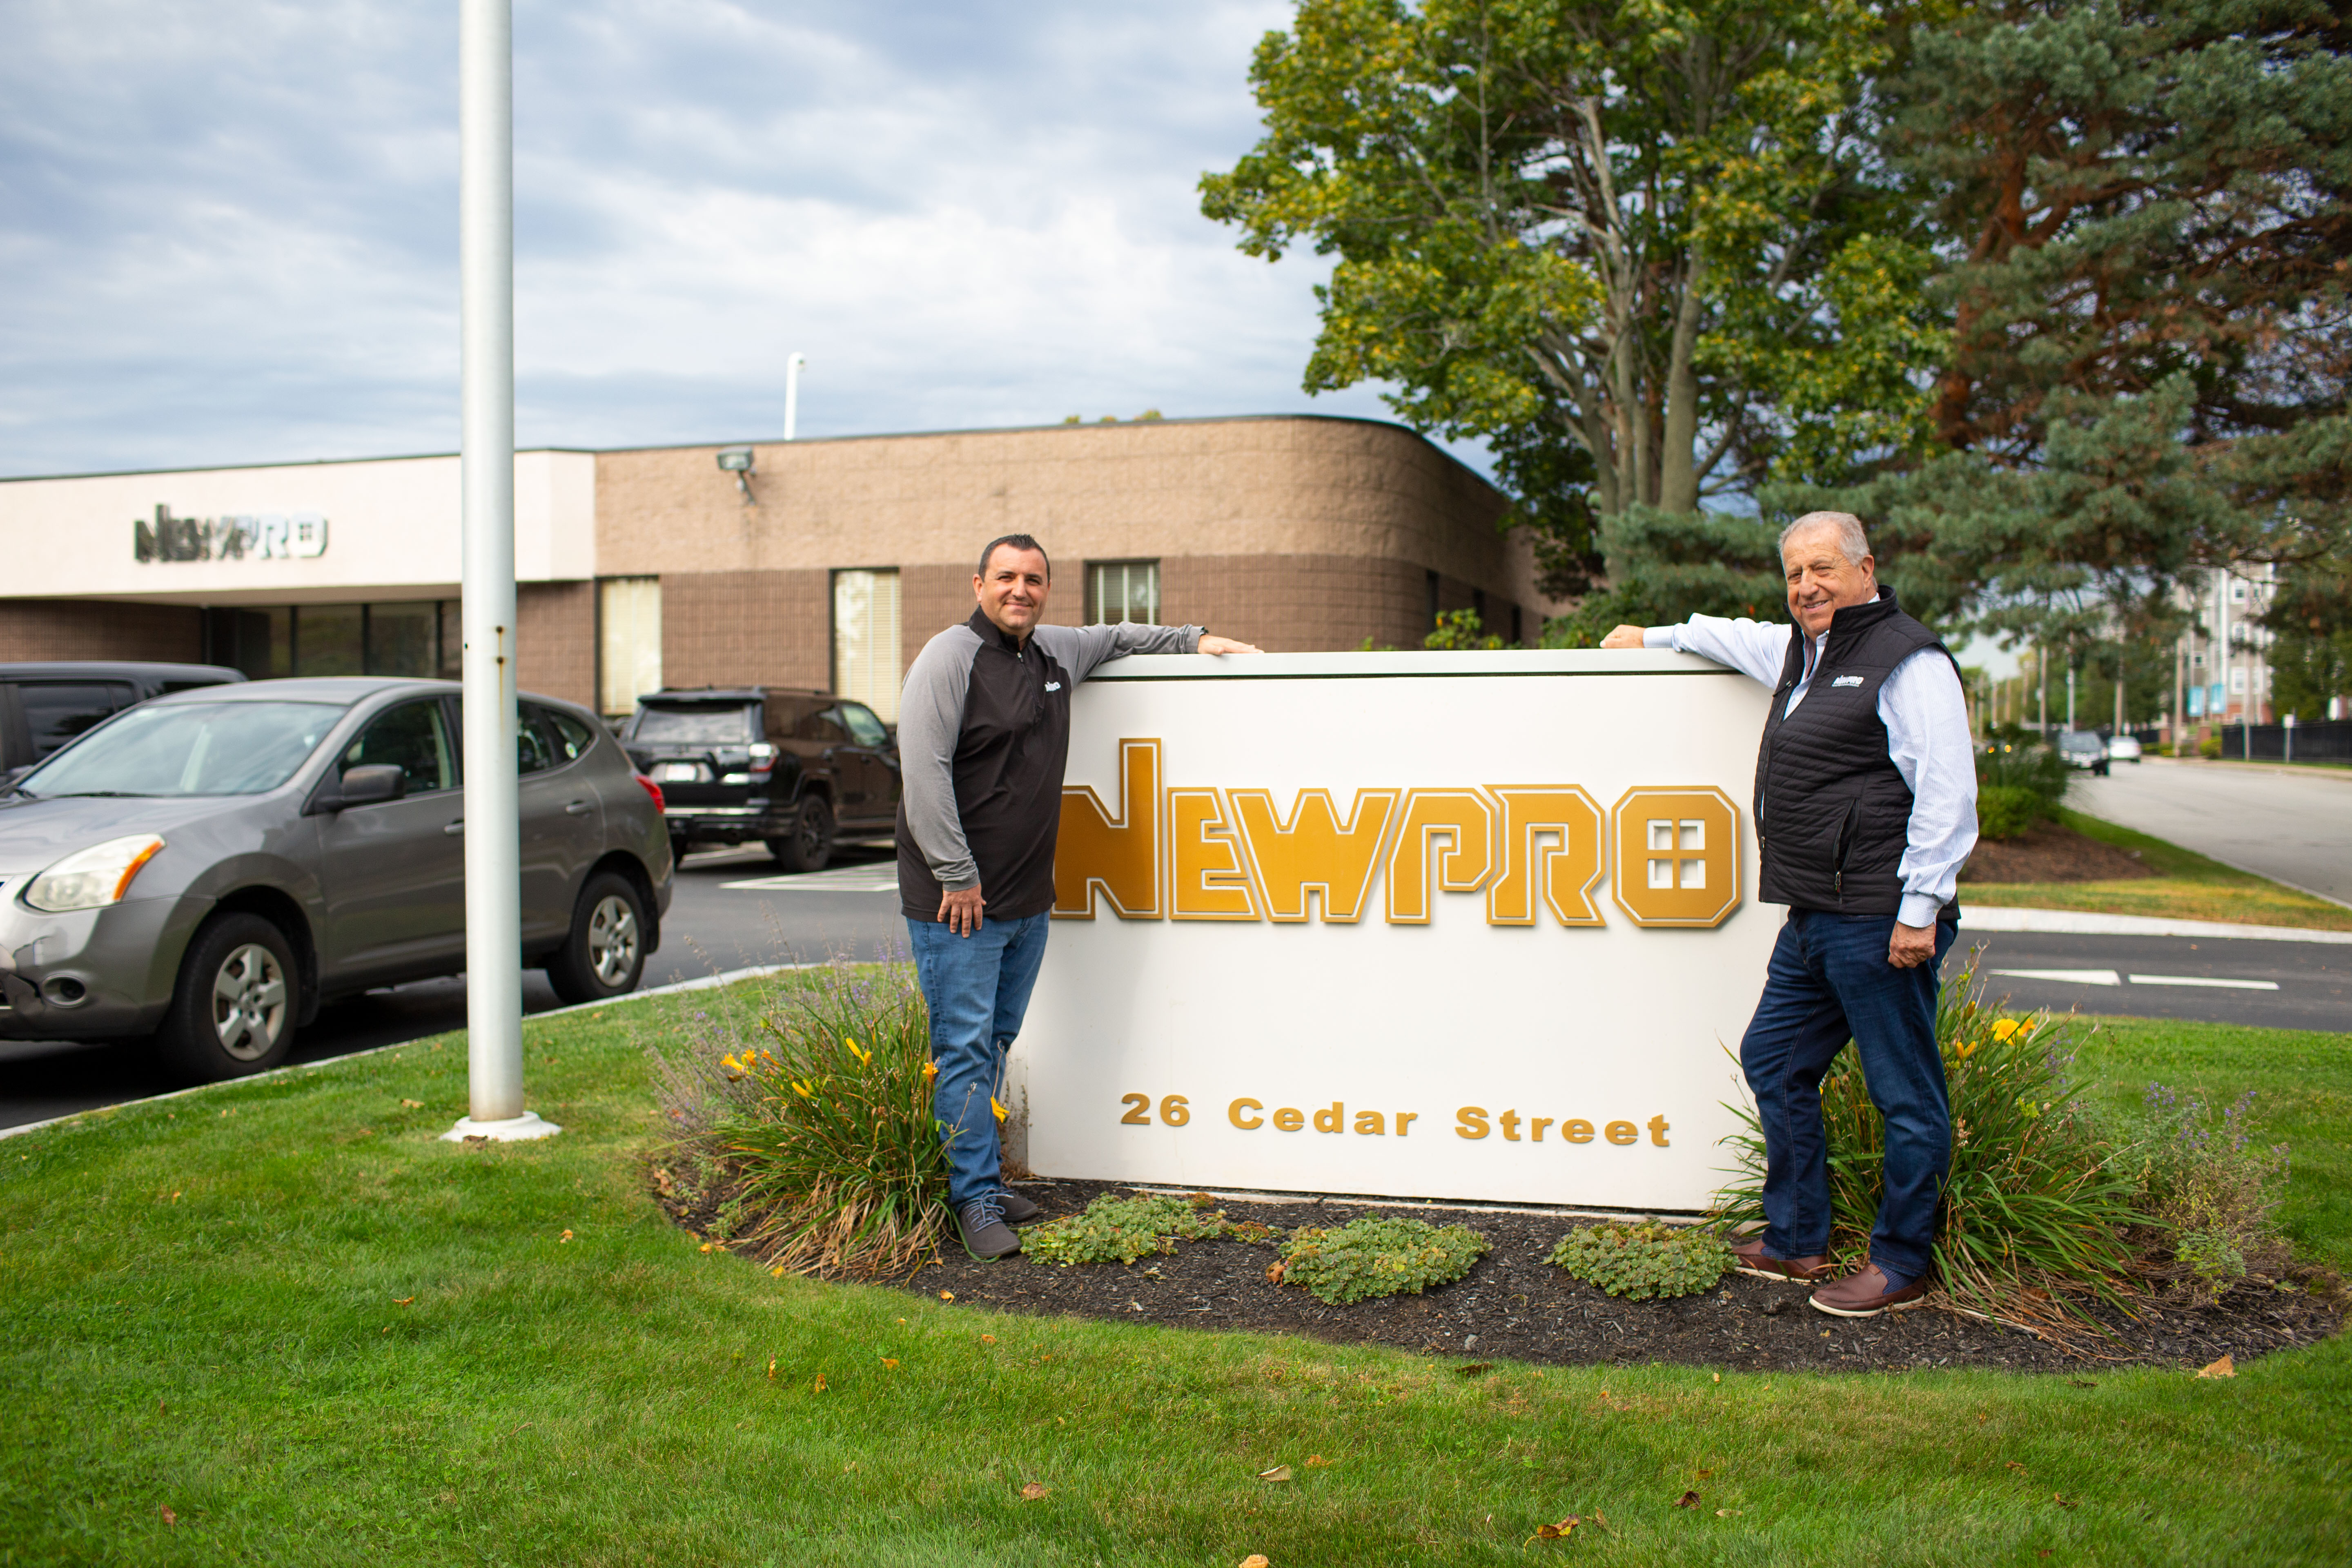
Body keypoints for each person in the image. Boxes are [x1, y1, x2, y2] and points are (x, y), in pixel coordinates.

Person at [1600, 511, 1976, 1317]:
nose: (1807, 586)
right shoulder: (1803, 653)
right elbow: (1731, 637)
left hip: (1879, 918)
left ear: (1866, 569)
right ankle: (1798, 1239)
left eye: (1823, 570)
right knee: (1774, 1059)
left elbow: (1948, 792)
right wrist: (1655, 634)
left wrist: (1920, 909)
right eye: (1795, 574)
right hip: (1812, 915)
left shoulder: (1907, 661)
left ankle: (1901, 1264)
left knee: (1905, 1096)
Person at [897, 534, 1261, 1258]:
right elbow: (922, 771)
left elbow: (1122, 634)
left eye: (1033, 579)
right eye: (1005, 577)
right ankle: (972, 1202)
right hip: (958, 903)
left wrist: (1197, 640)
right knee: (963, 1050)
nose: (1019, 590)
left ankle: (987, 1181)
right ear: (978, 584)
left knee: (995, 1043)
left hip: (1029, 899)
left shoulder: (1057, 651)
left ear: (1046, 590)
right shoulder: (948, 658)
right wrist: (956, 874)